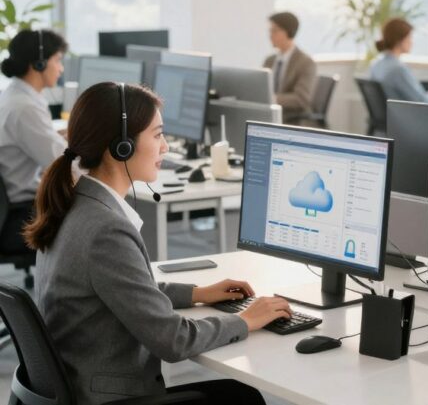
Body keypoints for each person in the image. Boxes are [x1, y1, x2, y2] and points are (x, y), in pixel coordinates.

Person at [27, 82, 293, 404]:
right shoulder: (105, 230)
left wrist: (197, 294)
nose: (165, 147)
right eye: (157, 135)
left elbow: (124, 289)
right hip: (109, 398)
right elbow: (173, 340)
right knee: (242, 398)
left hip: (81, 386)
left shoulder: (74, 203)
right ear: (121, 146)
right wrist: (244, 320)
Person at [0, 29, 68, 207]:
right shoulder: (25, 108)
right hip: (26, 208)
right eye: (58, 60)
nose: (61, 68)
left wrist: (57, 136)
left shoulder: (14, 95)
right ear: (39, 63)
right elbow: (63, 166)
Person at [369, 18, 428, 104]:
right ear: (400, 40)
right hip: (405, 115)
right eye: (409, 37)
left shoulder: (376, 64)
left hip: (391, 114)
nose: (411, 42)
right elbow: (421, 102)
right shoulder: (398, 69)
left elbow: (416, 97)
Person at [262, 11, 317, 124]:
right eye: (270, 30)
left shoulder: (305, 63)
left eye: (275, 30)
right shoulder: (269, 60)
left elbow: (301, 99)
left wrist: (271, 98)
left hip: (292, 120)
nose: (270, 35)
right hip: (269, 116)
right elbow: (261, 87)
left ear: (289, 32)